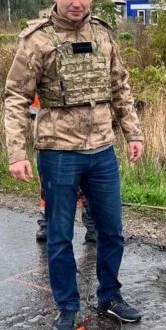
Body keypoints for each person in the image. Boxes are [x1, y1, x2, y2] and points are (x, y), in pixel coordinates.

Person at [4, 0, 145, 330]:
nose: (76, 2)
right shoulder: (37, 40)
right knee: (59, 235)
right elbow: (16, 97)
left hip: (101, 149)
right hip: (58, 151)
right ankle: (67, 307)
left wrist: (134, 133)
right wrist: (17, 153)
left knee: (112, 231)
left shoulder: (102, 34)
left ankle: (110, 296)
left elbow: (120, 87)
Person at [29, 94, 96, 244]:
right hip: (52, 143)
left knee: (86, 186)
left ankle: (93, 226)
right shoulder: (44, 76)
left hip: (86, 141)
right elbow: (32, 110)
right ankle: (46, 224)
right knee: (49, 188)